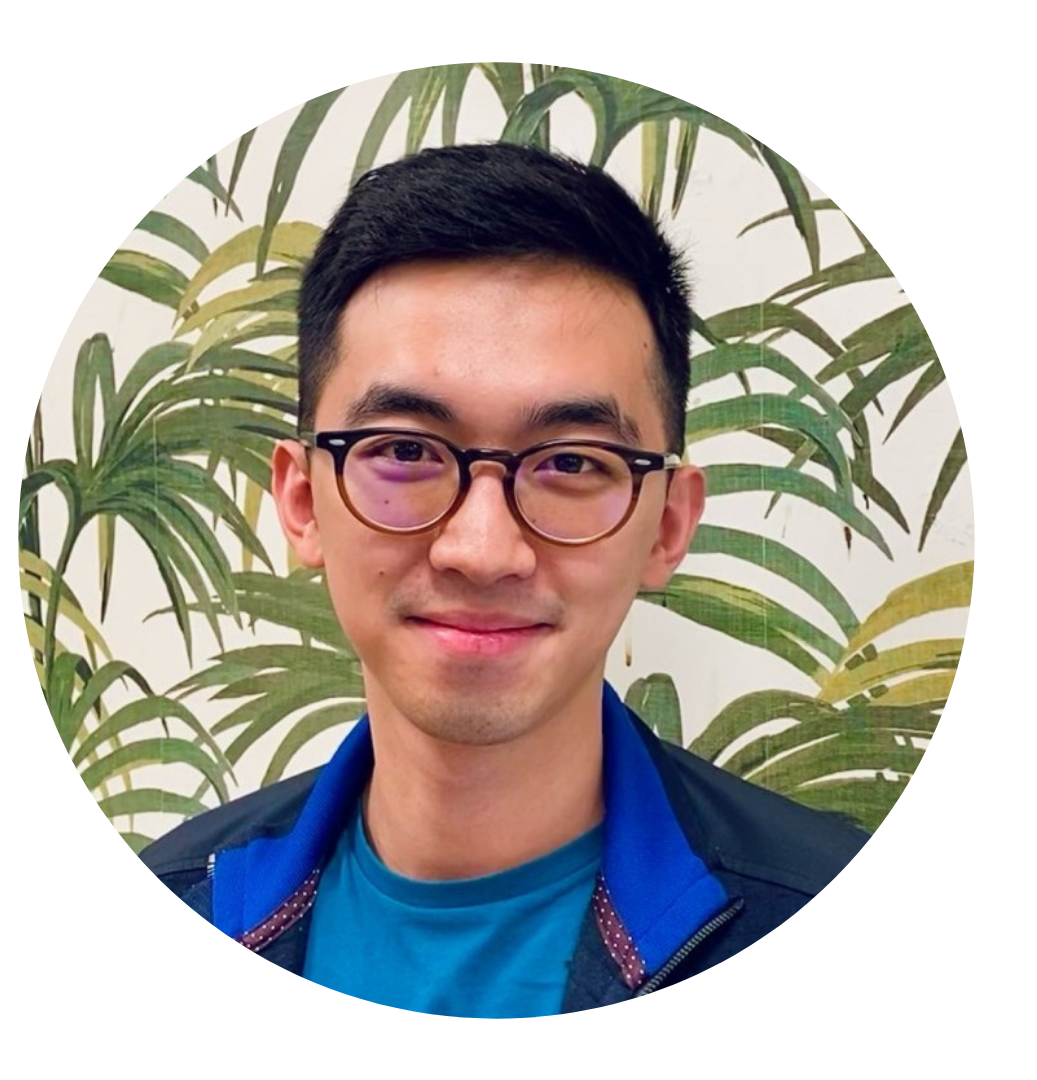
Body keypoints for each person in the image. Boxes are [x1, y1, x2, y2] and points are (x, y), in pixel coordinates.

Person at [142, 142, 867, 1017]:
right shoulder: (175, 894)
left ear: (668, 525)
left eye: (571, 461)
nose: (482, 551)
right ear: (302, 502)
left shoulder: (823, 895)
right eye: (403, 450)